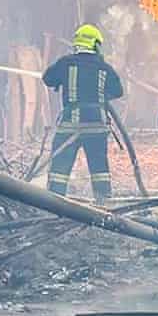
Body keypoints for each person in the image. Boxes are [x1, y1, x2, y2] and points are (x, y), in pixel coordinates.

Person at [41, 24, 123, 203]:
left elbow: (47, 78)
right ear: (96, 45)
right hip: (97, 126)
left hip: (70, 125)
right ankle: (104, 204)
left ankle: (53, 203)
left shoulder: (65, 63)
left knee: (60, 170)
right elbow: (118, 91)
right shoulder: (104, 67)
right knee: (99, 168)